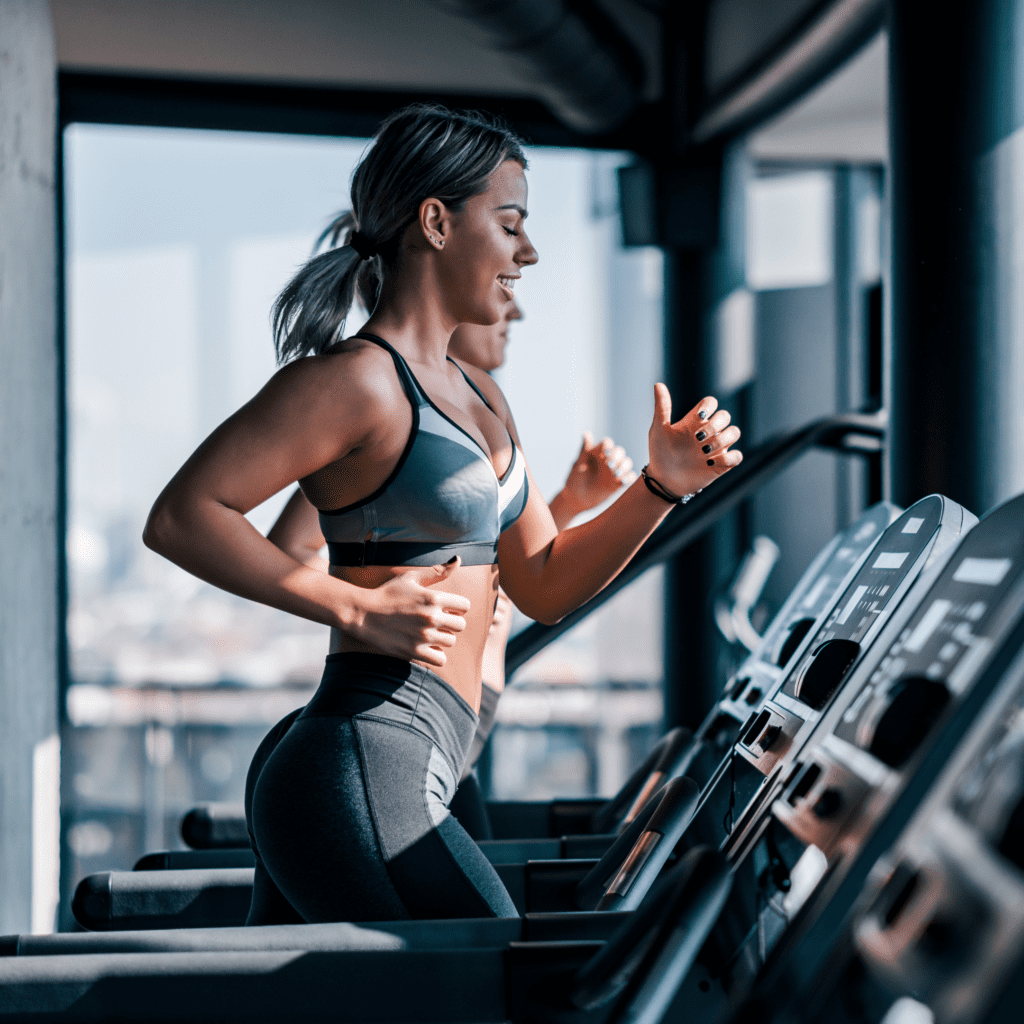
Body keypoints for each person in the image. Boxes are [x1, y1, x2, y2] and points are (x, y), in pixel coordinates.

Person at [144, 104, 742, 924]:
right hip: (364, 752)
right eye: (509, 224)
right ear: (435, 221)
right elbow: (183, 516)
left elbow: (544, 583)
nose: (527, 252)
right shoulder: (356, 381)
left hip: (429, 759)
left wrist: (660, 488)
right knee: (496, 976)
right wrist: (351, 603)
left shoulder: (483, 396)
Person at [266, 293, 636, 841]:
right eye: (502, 291)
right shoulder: (382, 416)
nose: (515, 310)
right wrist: (366, 607)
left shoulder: (481, 410)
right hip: (397, 725)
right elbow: (293, 544)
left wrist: (568, 504)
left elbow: (501, 565)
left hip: (453, 725)